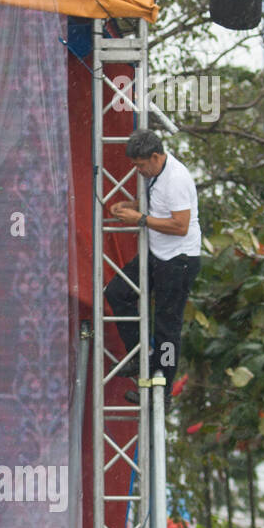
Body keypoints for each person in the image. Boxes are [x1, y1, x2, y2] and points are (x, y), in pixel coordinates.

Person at [103, 128, 201, 404]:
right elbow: (156, 207)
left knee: (167, 326)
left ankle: (164, 385)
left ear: (156, 157)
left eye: (141, 165)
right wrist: (130, 207)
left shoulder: (176, 179)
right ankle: (139, 355)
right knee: (116, 292)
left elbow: (180, 226)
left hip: (179, 259)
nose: (139, 170)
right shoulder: (154, 175)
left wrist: (140, 219)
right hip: (157, 253)